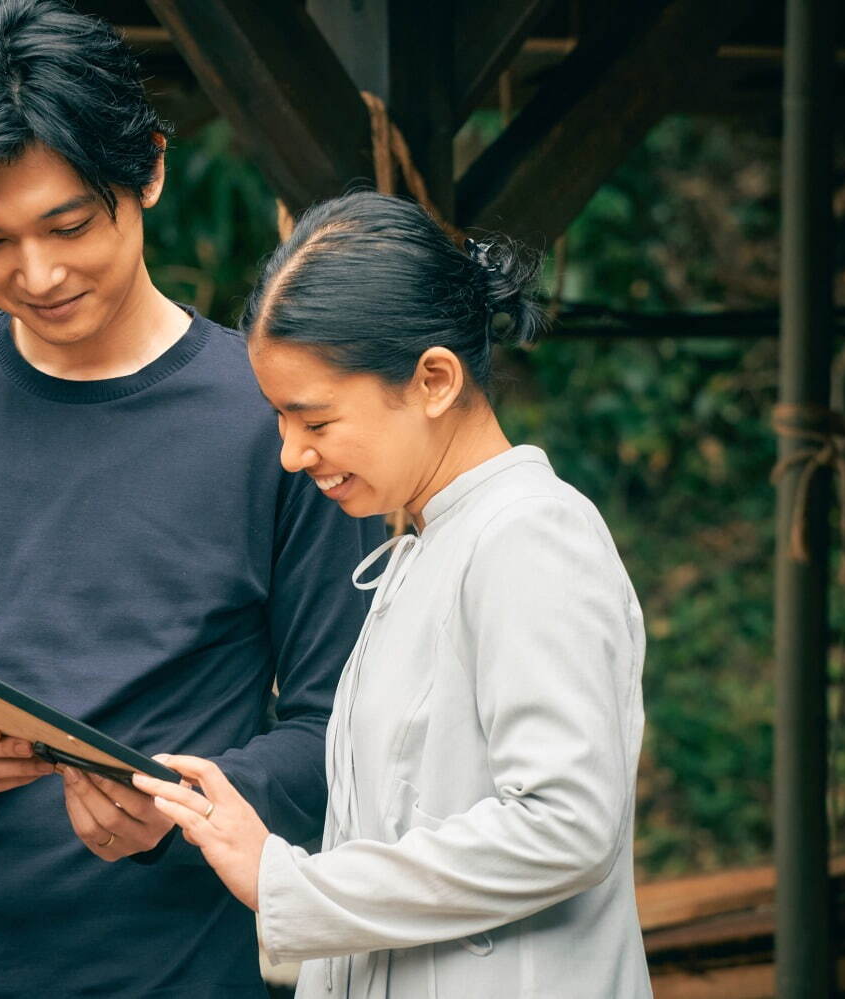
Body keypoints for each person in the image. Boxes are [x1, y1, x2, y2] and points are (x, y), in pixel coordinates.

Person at [0, 2, 380, 996]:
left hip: (178, 972)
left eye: (67, 225)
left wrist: (190, 802)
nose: (36, 274)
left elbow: (337, 732)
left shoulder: (276, 421)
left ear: (147, 171)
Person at [133, 191, 653, 998]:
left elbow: (565, 822)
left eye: (314, 419)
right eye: (278, 419)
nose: (290, 455)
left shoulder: (529, 534)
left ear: (434, 379)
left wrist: (290, 885)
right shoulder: (420, 542)